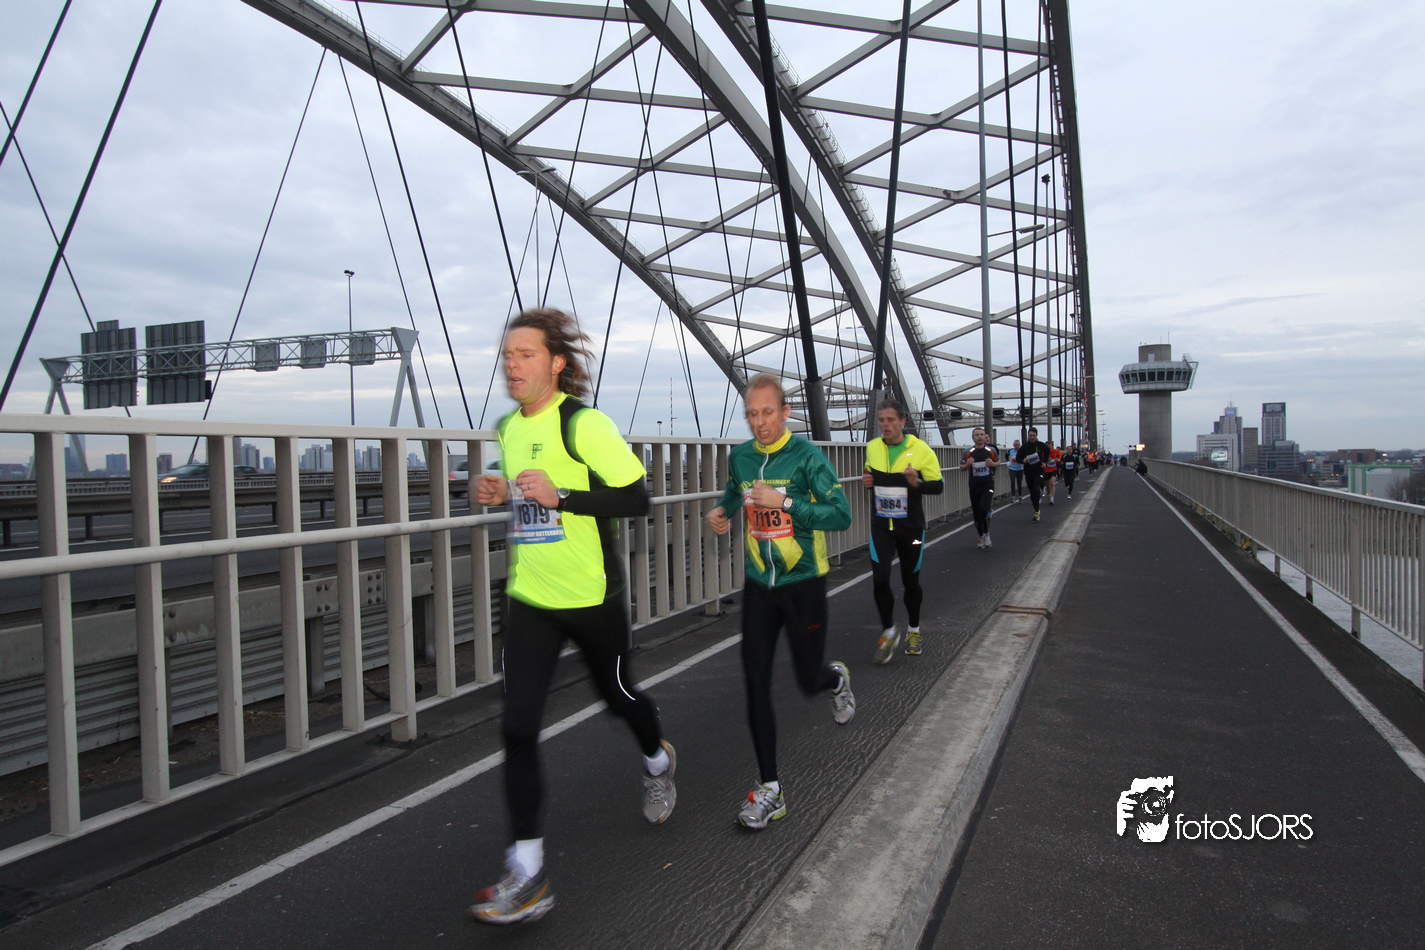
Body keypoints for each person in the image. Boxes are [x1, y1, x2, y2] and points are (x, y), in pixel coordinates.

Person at [469, 308, 675, 924]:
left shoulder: (582, 424)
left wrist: (563, 496)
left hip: (591, 597)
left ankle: (657, 759)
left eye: (525, 354)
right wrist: (503, 491)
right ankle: (528, 873)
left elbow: (636, 497)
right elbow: (526, 494)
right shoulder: (508, 429)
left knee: (618, 696)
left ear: (556, 363)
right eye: (507, 355)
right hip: (531, 598)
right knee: (517, 728)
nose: (512, 364)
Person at [705, 374, 855, 830]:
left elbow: (841, 514)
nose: (760, 422)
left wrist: (785, 502)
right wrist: (723, 511)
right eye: (752, 414)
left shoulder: (807, 457)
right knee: (756, 680)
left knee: (809, 680)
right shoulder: (741, 457)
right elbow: (736, 491)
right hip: (758, 587)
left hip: (803, 583)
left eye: (767, 412)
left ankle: (835, 679)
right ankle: (770, 789)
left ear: (785, 412)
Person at [862, 398, 944, 662]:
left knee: (911, 582)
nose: (885, 425)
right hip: (881, 525)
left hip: (911, 528)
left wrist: (916, 483)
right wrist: (867, 480)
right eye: (881, 420)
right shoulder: (873, 447)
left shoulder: (921, 450)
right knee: (880, 579)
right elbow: (870, 474)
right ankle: (889, 631)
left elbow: (938, 486)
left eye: (890, 420)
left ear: (902, 422)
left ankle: (914, 630)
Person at [961, 427, 998, 549]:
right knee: (976, 513)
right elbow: (961, 467)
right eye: (977, 435)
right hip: (974, 485)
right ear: (973, 438)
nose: (980, 437)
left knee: (983, 508)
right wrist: (967, 464)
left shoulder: (991, 450)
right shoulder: (968, 452)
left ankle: (986, 533)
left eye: (981, 434)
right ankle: (982, 536)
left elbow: (998, 462)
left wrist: (992, 464)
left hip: (988, 484)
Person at [1018, 427, 1050, 522]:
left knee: (1036, 488)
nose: (1032, 437)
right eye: (1030, 435)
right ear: (1028, 436)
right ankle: (1036, 510)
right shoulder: (1024, 447)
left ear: (1036, 436)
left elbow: (1048, 451)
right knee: (1032, 492)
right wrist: (1023, 460)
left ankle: (1041, 489)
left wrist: (1045, 462)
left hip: (1038, 470)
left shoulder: (1041, 445)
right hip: (1029, 471)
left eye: (1034, 435)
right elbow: (1018, 458)